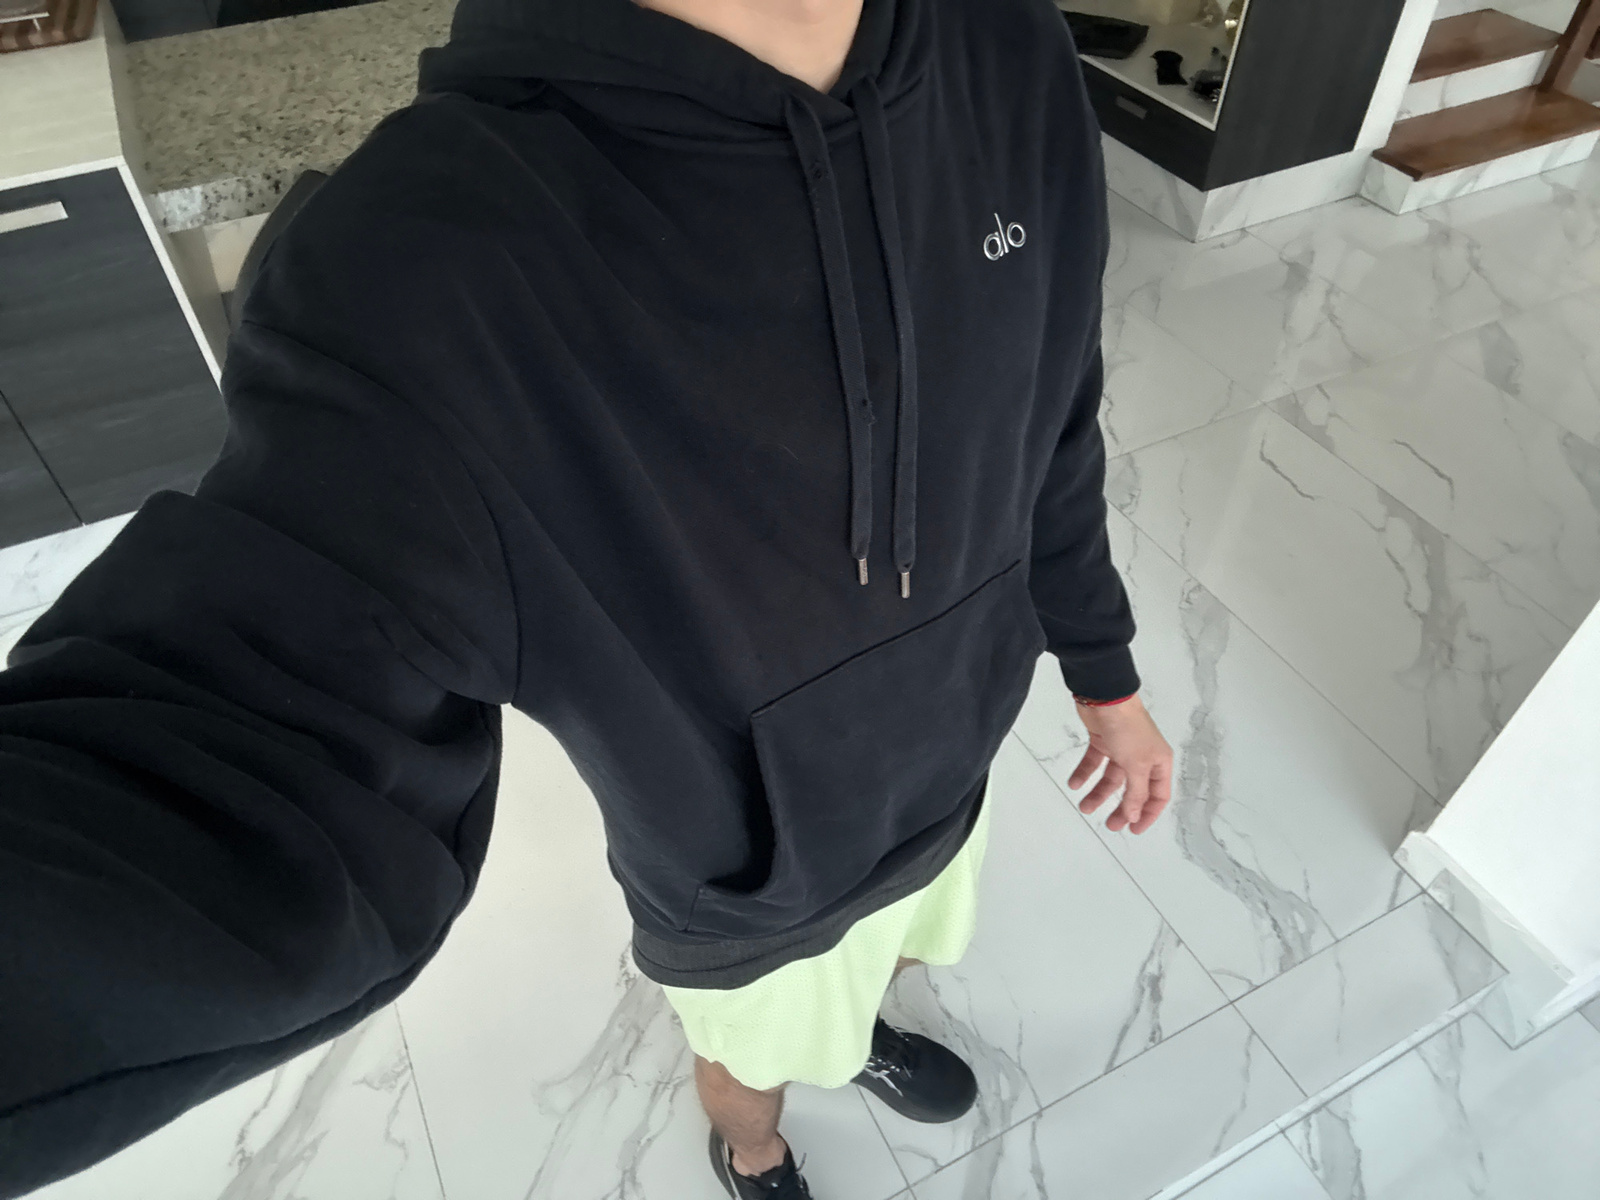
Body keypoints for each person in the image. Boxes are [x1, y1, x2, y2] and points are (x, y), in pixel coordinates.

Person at [0, 0, 1174, 1195]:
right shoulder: (425, 261)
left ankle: (856, 1033)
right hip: (753, 882)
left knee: (892, 957)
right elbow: (222, 750)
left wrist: (1104, 671)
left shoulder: (1006, 40)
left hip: (955, 763)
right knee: (752, 1058)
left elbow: (1052, 416)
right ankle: (752, 1148)